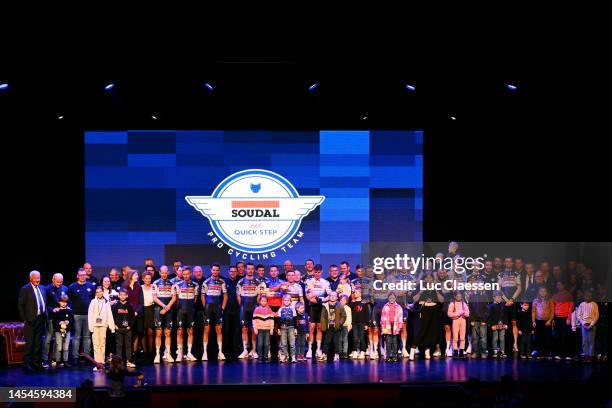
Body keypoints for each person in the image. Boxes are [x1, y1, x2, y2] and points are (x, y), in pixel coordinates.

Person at [409, 274, 444, 360]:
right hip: (423, 312)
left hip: (434, 312)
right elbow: (414, 299)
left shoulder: (436, 288)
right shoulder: (420, 287)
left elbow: (442, 300)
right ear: (424, 279)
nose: (428, 279)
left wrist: (435, 290)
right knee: (421, 331)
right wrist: (421, 292)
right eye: (426, 277)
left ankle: (427, 352)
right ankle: (412, 352)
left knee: (430, 332)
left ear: (433, 279)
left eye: (430, 277)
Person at [68, 268, 96, 366]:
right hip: (76, 315)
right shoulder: (72, 287)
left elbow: (94, 300)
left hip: (88, 315)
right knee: (76, 337)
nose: (82, 276)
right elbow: (69, 301)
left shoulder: (91, 286)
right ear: (77, 276)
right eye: (80, 275)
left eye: (84, 275)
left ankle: (87, 357)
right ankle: (75, 357)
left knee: (87, 337)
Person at [201, 263, 228, 361]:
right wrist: (205, 308)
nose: (215, 272)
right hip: (208, 308)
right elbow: (202, 296)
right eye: (214, 270)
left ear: (219, 271)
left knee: (219, 330)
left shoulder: (222, 282)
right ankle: (204, 352)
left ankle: (220, 352)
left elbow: (225, 296)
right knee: (206, 329)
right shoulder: (206, 282)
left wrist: (223, 308)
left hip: (218, 309)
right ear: (211, 270)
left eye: (217, 270)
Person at [151, 265, 177, 363]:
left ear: (168, 272)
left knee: (168, 333)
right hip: (158, 310)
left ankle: (168, 353)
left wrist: (167, 308)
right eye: (163, 272)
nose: (165, 274)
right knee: (158, 332)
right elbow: (154, 298)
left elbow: (174, 298)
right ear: (160, 273)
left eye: (166, 272)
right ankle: (157, 354)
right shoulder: (155, 283)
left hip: (168, 310)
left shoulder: (172, 283)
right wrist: (164, 306)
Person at [305, 264, 331, 358]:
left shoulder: (325, 282)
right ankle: (309, 349)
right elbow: (308, 296)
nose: (317, 274)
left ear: (322, 272)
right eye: (315, 272)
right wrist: (316, 300)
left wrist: (322, 300)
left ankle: (318, 349)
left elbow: (329, 295)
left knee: (319, 327)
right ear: (313, 272)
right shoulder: (309, 282)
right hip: (312, 306)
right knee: (311, 327)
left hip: (321, 306)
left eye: (319, 272)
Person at [43, 273, 68, 368]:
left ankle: (55, 359)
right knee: (48, 339)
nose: (59, 283)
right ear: (53, 280)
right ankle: (45, 359)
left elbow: (67, 302)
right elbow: (45, 304)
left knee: (59, 340)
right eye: (58, 281)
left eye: (61, 281)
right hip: (51, 318)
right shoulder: (47, 289)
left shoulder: (65, 288)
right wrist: (52, 309)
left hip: (61, 319)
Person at [173, 266, 198, 361]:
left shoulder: (195, 285)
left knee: (190, 331)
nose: (186, 276)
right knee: (179, 331)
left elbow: (195, 299)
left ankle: (189, 353)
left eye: (187, 274)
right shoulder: (177, 285)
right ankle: (179, 353)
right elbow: (177, 300)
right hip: (180, 311)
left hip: (190, 311)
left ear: (190, 274)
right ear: (181, 274)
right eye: (184, 274)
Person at [88, 286, 115, 371]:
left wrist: (112, 327)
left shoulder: (106, 302)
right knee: (96, 344)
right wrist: (91, 327)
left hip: (103, 325)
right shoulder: (93, 302)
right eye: (97, 292)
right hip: (95, 325)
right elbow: (90, 315)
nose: (99, 293)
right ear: (95, 293)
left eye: (100, 291)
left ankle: (102, 362)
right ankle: (97, 363)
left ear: (103, 292)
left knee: (102, 344)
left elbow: (109, 314)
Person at [237, 263, 260, 359]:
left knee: (254, 329)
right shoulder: (241, 282)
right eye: (248, 269)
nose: (250, 270)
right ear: (245, 270)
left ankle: (254, 350)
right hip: (244, 308)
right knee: (244, 329)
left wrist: (256, 305)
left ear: (254, 270)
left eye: (252, 269)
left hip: (254, 307)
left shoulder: (257, 282)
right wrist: (242, 306)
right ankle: (245, 350)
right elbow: (238, 296)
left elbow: (259, 295)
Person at [111, 288, 136, 367]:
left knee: (128, 345)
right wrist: (114, 325)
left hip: (127, 329)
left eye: (124, 295)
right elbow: (112, 316)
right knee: (119, 345)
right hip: (118, 328)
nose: (122, 296)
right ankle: (119, 361)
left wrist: (130, 326)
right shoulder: (115, 305)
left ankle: (129, 361)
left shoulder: (130, 305)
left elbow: (133, 317)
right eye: (120, 295)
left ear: (127, 296)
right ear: (118, 296)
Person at [318, 291, 346, 361]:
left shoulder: (340, 305)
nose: (332, 297)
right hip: (329, 327)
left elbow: (343, 316)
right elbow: (323, 316)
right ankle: (324, 354)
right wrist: (323, 326)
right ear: (329, 297)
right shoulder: (326, 305)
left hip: (336, 327)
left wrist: (340, 323)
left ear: (337, 297)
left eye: (334, 296)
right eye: (331, 295)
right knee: (327, 341)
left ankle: (337, 354)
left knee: (336, 341)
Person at [123, 269, 144, 363]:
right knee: (128, 335)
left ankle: (134, 354)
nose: (137, 276)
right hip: (127, 314)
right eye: (136, 275)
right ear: (131, 276)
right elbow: (123, 301)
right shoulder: (124, 286)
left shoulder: (139, 286)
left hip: (137, 314)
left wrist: (136, 311)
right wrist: (130, 312)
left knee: (136, 334)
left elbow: (141, 301)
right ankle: (128, 354)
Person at [222, 265, 242, 360]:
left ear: (237, 272)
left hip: (237, 309)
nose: (233, 273)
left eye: (235, 271)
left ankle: (236, 350)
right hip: (227, 310)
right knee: (226, 330)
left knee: (236, 330)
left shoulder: (240, 282)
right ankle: (225, 350)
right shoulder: (225, 282)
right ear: (228, 272)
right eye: (231, 271)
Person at [467, 275, 489, 359]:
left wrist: (484, 319)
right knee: (475, 338)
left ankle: (483, 352)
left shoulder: (485, 296)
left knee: (483, 338)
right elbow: (470, 308)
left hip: (483, 320)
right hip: (474, 320)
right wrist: (472, 320)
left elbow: (487, 309)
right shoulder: (471, 296)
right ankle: (475, 352)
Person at [49, 293, 73, 368]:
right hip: (58, 331)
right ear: (59, 302)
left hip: (67, 331)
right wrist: (59, 322)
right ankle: (58, 361)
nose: (64, 304)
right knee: (59, 347)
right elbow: (54, 321)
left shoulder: (69, 311)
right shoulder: (57, 311)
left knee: (66, 347)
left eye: (65, 302)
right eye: (62, 302)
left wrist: (68, 322)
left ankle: (65, 361)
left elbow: (72, 320)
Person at [552, 280, 574, 360]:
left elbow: (571, 307)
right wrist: (553, 319)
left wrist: (568, 318)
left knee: (565, 336)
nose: (559, 286)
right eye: (557, 285)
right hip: (557, 318)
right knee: (557, 336)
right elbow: (553, 307)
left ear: (563, 285)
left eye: (560, 284)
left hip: (565, 318)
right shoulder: (555, 295)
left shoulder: (568, 295)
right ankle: (559, 354)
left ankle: (567, 354)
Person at [576, 289, 599, 362]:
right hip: (584, 324)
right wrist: (583, 323)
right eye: (586, 296)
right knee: (584, 341)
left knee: (591, 341)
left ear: (591, 296)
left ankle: (591, 355)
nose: (587, 297)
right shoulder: (582, 304)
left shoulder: (594, 304)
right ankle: (586, 355)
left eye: (589, 296)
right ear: (584, 296)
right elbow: (579, 315)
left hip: (592, 324)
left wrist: (591, 325)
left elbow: (596, 316)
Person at [532, 286, 554, 359]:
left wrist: (550, 320)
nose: (543, 292)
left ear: (546, 292)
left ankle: (547, 352)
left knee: (547, 337)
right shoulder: (535, 300)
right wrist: (533, 321)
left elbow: (552, 312)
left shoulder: (550, 300)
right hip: (538, 321)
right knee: (538, 337)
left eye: (544, 291)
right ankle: (538, 351)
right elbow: (533, 312)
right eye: (541, 291)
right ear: (539, 292)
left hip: (547, 321)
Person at [380, 293, 403, 362]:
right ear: (388, 298)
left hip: (395, 325)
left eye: (393, 298)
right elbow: (382, 318)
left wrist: (400, 326)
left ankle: (394, 356)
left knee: (395, 341)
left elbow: (400, 317)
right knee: (388, 341)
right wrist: (383, 327)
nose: (392, 299)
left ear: (395, 298)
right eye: (390, 298)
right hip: (387, 325)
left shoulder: (398, 307)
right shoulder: (385, 306)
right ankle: (388, 356)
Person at [447, 291, 469, 358]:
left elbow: (467, 313)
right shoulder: (452, 304)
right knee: (455, 337)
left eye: (460, 296)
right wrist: (458, 313)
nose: (459, 297)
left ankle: (461, 351)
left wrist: (464, 314)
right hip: (455, 321)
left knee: (462, 336)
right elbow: (449, 314)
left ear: (462, 297)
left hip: (463, 321)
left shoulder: (464, 304)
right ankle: (455, 351)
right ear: (455, 296)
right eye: (457, 296)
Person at [252, 296, 274, 363]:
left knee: (266, 343)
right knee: (260, 343)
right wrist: (255, 328)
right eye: (262, 301)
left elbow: (271, 320)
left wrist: (271, 329)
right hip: (260, 329)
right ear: (260, 301)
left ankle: (265, 356)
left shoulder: (269, 309)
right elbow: (254, 320)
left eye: (265, 301)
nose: (263, 302)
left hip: (267, 329)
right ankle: (260, 357)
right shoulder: (257, 309)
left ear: (267, 302)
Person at [140, 271, 156, 358]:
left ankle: (151, 351)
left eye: (149, 278)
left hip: (151, 309)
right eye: (146, 278)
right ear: (143, 279)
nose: (148, 280)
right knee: (143, 331)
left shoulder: (154, 287)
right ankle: (145, 351)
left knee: (150, 331)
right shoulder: (140, 287)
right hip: (143, 309)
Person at [350, 290, 369, 359]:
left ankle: (362, 351)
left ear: (361, 294)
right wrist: (351, 323)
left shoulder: (364, 303)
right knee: (355, 337)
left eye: (357, 292)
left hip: (362, 323)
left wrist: (367, 324)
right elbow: (350, 313)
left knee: (362, 337)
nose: (355, 294)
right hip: (354, 323)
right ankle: (355, 350)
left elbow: (366, 314)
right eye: (354, 292)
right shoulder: (352, 303)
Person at [277, 294, 297, 363]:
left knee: (292, 343)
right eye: (285, 300)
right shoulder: (280, 309)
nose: (286, 302)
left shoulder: (293, 309)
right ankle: (284, 356)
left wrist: (295, 329)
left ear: (290, 301)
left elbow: (295, 319)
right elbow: (278, 320)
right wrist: (279, 329)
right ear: (283, 301)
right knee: (283, 343)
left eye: (288, 300)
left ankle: (293, 356)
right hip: (283, 328)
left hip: (291, 327)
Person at [488, 292, 508, 358]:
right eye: (497, 297)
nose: (499, 298)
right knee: (495, 338)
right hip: (494, 325)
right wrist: (491, 325)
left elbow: (505, 316)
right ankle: (495, 351)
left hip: (502, 324)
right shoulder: (491, 306)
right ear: (494, 298)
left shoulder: (503, 305)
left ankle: (502, 351)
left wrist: (505, 324)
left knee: (502, 338)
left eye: (500, 297)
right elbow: (490, 317)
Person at [339, 294, 352, 359]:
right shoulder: (337, 307)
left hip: (345, 325)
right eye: (341, 300)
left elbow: (349, 317)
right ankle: (340, 352)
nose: (342, 301)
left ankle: (345, 353)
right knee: (339, 339)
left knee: (345, 339)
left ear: (346, 301)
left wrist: (349, 325)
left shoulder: (348, 308)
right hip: (338, 325)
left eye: (344, 300)